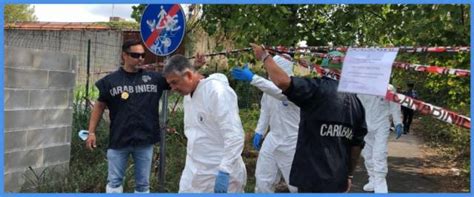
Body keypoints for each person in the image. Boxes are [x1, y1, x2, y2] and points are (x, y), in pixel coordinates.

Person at [250, 44, 367, 193]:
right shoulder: (356, 104)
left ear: (324, 68)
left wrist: (264, 57)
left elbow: (282, 84)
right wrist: (349, 175)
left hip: (310, 176)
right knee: (264, 178)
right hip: (337, 179)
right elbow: (356, 145)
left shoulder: (315, 90)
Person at [85, 39, 170, 193]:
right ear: (124, 55)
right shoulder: (110, 81)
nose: (140, 59)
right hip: (119, 140)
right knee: (114, 182)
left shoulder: (154, 79)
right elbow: (99, 106)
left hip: (145, 140)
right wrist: (91, 132)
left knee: (143, 185)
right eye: (135, 55)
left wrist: (195, 67)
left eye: (143, 55)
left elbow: (178, 80)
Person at [163, 54, 247, 193]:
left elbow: (234, 135)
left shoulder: (217, 91)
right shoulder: (188, 95)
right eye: (170, 84)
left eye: (175, 82)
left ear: (189, 75)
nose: (173, 88)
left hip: (219, 171)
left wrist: (225, 170)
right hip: (194, 172)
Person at [231, 54, 299, 193]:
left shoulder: (295, 88)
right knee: (263, 178)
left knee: (296, 183)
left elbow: (280, 92)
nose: (270, 73)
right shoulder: (269, 89)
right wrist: (260, 131)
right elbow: (265, 111)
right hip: (273, 138)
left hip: (292, 142)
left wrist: (253, 78)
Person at [357, 85, 404, 193]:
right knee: (367, 154)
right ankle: (372, 179)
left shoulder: (389, 88)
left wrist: (398, 122)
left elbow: (395, 106)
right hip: (364, 125)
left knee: (379, 153)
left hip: (381, 124)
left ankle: (380, 183)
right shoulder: (360, 86)